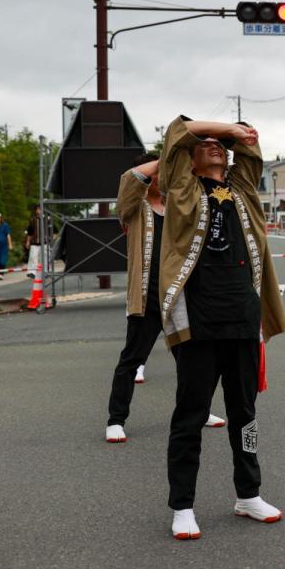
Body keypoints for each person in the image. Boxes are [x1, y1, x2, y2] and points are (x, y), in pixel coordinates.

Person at [159, 117, 285, 541]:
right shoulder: (181, 189)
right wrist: (219, 128)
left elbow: (250, 144)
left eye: (222, 145)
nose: (216, 147)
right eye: (206, 144)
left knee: (244, 414)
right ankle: (182, 504)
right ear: (190, 158)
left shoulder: (242, 191)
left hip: (243, 318)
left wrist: (238, 135)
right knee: (190, 416)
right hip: (199, 321)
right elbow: (177, 134)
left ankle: (248, 494)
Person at [105, 154, 225, 444]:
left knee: (196, 361)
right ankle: (116, 420)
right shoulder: (134, 208)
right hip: (147, 297)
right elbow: (130, 179)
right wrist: (162, 160)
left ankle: (199, 410)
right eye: (157, 173)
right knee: (132, 359)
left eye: (167, 172)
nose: (162, 178)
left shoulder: (179, 207)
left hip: (180, 296)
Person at [24, 204, 45, 276]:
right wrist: (27, 241)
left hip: (44, 242)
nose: (38, 211)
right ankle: (32, 272)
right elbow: (29, 232)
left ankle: (45, 271)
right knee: (33, 257)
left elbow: (54, 231)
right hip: (34, 242)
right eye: (37, 209)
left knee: (44, 257)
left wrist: (52, 241)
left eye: (40, 209)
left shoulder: (47, 219)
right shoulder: (32, 220)